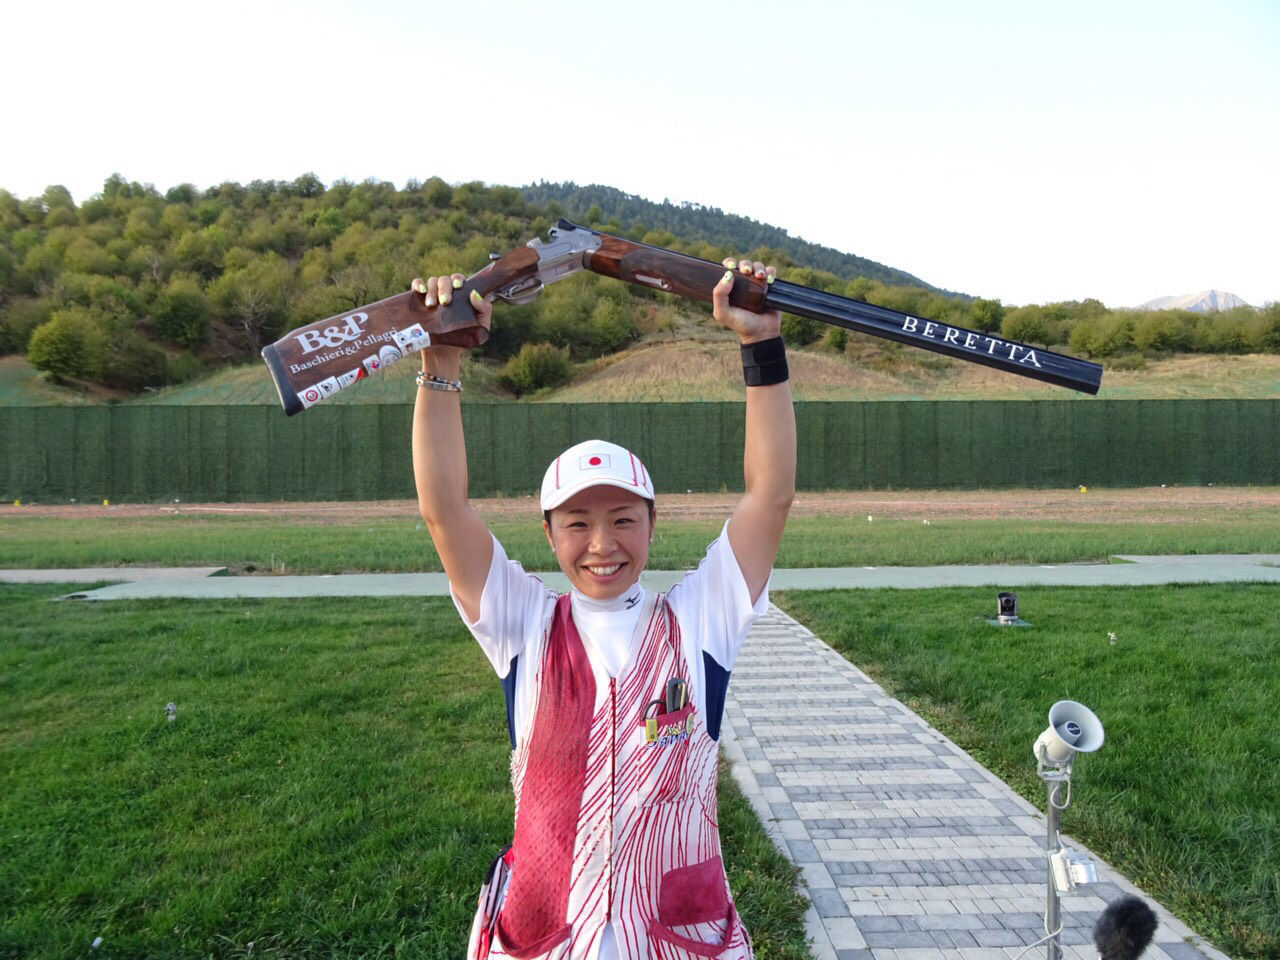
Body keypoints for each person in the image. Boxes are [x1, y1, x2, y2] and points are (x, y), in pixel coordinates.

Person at [410, 256, 796, 960]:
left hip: (678, 937)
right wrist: (441, 365)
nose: (601, 545)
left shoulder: (700, 621)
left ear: (652, 525)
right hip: (547, 935)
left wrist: (760, 344)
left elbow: (768, 497)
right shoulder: (523, 623)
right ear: (549, 535)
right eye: (577, 524)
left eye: (622, 519)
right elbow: (444, 512)